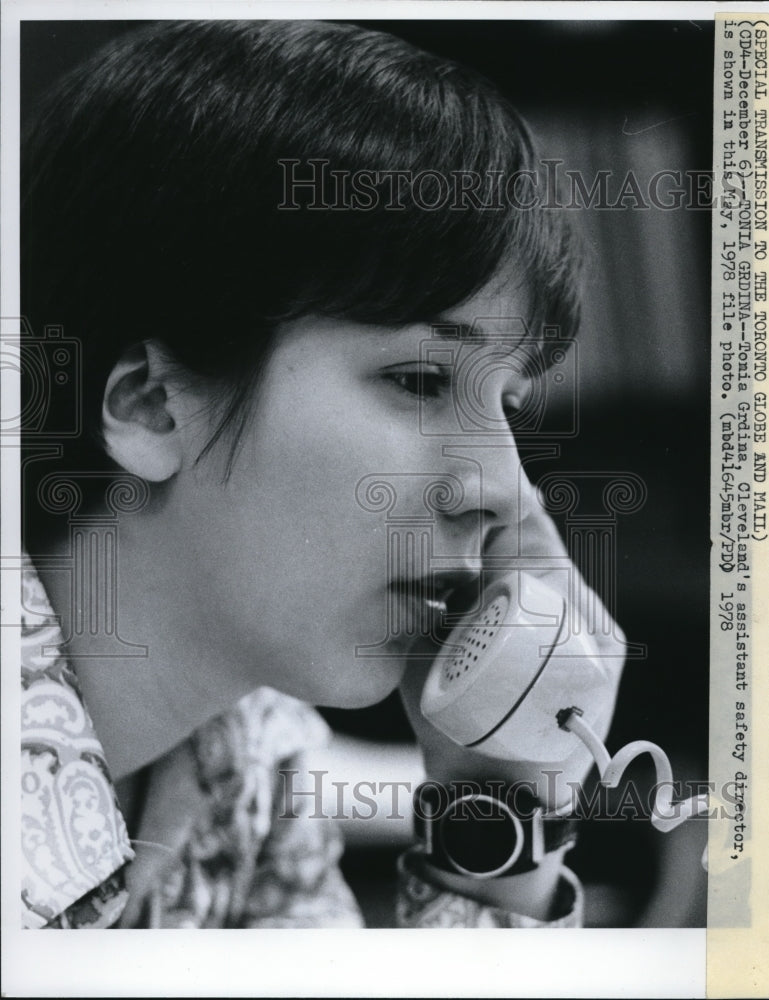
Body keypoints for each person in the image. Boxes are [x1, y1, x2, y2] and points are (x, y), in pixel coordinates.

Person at [19, 19, 624, 929]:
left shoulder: (250, 758)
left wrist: (503, 801)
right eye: (420, 380)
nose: (503, 490)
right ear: (150, 403)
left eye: (510, 405)